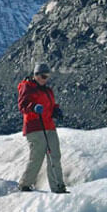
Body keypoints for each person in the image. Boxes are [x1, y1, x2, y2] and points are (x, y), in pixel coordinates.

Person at [17, 63, 67, 193]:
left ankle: (58, 187)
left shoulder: (47, 90)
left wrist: (56, 110)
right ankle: (25, 184)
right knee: (37, 155)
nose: (46, 79)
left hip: (49, 125)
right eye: (43, 76)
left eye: (47, 76)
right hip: (35, 126)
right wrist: (33, 107)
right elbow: (22, 105)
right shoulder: (27, 87)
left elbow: (51, 105)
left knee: (54, 155)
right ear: (36, 75)